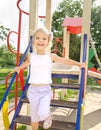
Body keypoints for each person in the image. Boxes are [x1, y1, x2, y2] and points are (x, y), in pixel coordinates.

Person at [14, 27, 85, 130]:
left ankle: (48, 116)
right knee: (34, 118)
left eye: (44, 38)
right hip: (33, 91)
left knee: (42, 112)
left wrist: (78, 64)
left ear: (48, 42)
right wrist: (19, 68)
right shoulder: (31, 56)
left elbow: (64, 60)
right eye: (37, 38)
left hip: (45, 91)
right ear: (33, 41)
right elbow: (26, 63)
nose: (40, 40)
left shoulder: (50, 56)